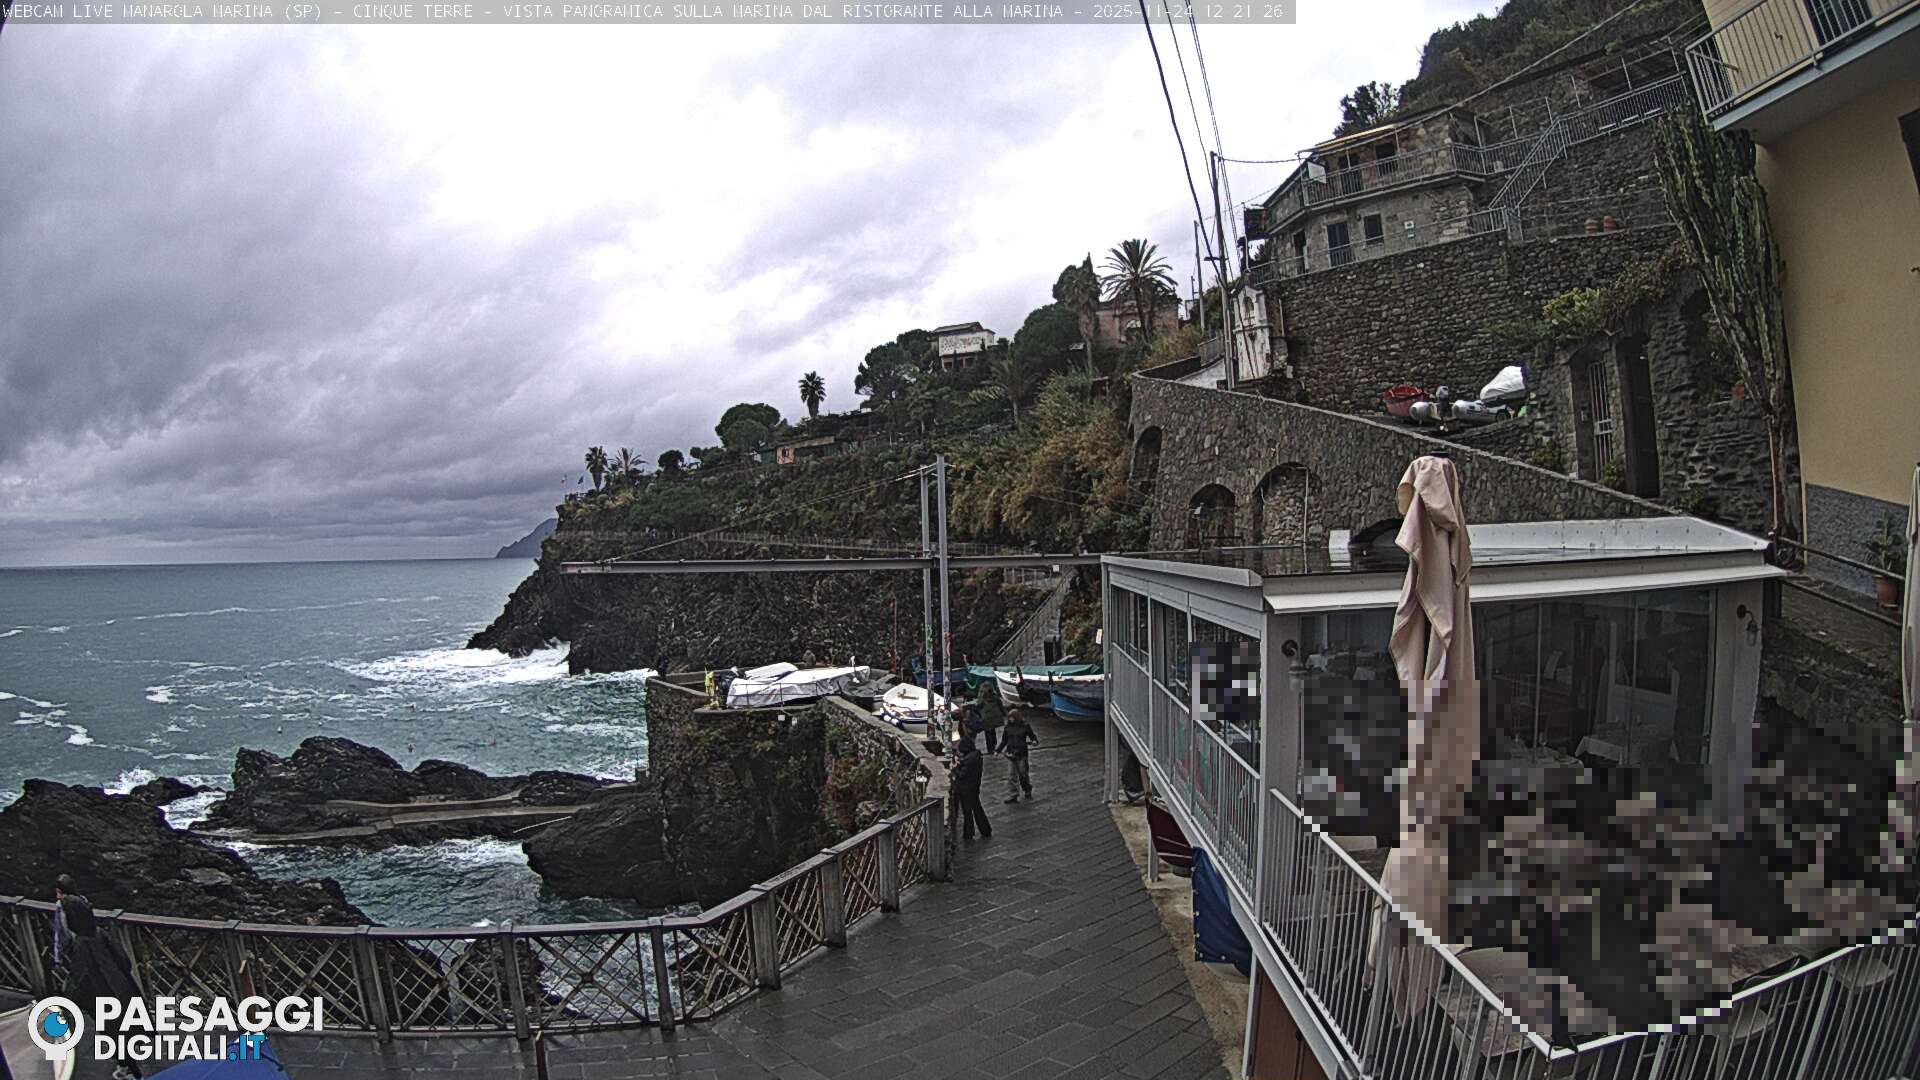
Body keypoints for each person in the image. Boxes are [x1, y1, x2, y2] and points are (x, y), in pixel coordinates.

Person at [60, 895, 143, 1079]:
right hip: (122, 989)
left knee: (114, 1036)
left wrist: (68, 999)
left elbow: (78, 980)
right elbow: (124, 959)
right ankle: (128, 1067)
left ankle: (131, 1072)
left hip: (103, 998)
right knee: (126, 1031)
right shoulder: (100, 933)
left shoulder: (81, 945)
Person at [950, 736, 991, 840]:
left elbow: (962, 774)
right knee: (977, 809)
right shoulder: (977, 756)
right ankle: (985, 830)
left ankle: (969, 833)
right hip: (974, 787)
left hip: (965, 789)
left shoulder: (968, 760)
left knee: (967, 812)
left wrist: (955, 768)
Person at [1001, 709, 1039, 803]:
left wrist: (1034, 741)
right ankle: (1013, 795)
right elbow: (1004, 741)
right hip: (1010, 754)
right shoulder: (1007, 728)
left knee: (1023, 775)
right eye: (1009, 718)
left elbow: (1032, 736)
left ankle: (1027, 789)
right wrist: (997, 751)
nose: (1010, 720)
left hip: (1022, 754)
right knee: (1011, 776)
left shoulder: (1025, 726)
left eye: (1012, 718)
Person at [973, 680, 1005, 756]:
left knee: (990, 733)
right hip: (989, 718)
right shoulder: (988, 696)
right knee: (990, 733)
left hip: (991, 717)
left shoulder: (991, 696)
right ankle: (991, 748)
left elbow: (1000, 705)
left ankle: (991, 748)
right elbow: (978, 706)